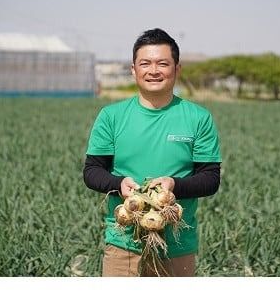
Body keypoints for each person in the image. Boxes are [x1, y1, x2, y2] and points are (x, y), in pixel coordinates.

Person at [83, 28, 222, 276]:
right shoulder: (111, 116)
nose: (154, 70)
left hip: (178, 245)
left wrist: (173, 186)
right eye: (145, 63)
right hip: (123, 242)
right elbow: (92, 171)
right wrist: (119, 184)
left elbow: (210, 179)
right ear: (134, 69)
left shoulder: (199, 118)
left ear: (177, 69)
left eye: (163, 63)